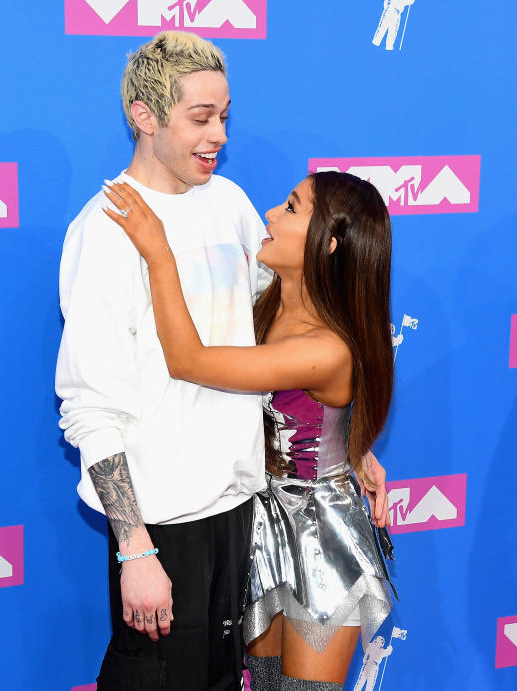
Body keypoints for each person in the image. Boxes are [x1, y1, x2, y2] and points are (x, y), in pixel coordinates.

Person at [55, 32, 389, 690]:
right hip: (164, 526)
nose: (217, 136)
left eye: (225, 117)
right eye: (200, 118)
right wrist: (135, 545)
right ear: (144, 117)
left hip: (244, 513)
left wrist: (348, 442)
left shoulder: (231, 203)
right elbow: (90, 406)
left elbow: (285, 337)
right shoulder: (105, 229)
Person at [103, 169, 395, 690]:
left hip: (320, 538)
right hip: (257, 523)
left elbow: (189, 360)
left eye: (291, 208)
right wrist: (357, 447)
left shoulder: (324, 348)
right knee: (259, 683)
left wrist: (159, 255)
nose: (270, 215)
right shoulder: (266, 300)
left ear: (327, 243)